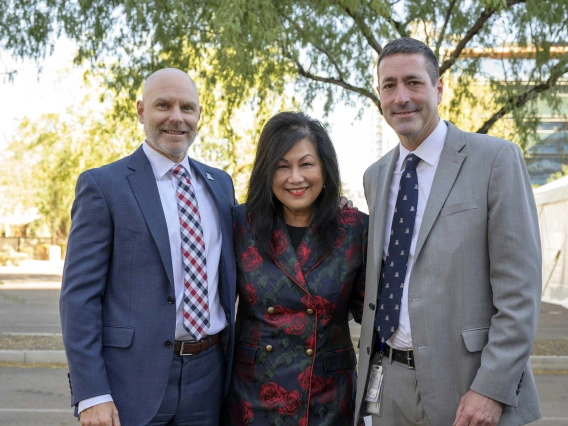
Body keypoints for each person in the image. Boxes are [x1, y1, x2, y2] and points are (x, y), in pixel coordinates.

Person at [355, 38, 542, 426]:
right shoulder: (375, 177)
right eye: (389, 85)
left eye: (414, 82)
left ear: (439, 88)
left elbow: (520, 293)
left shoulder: (495, 160)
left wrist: (490, 388)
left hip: (468, 384)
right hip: (390, 385)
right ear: (379, 96)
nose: (401, 96)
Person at [60, 68, 236, 426]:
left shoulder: (221, 185)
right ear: (141, 111)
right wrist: (92, 392)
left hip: (210, 377)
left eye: (187, 107)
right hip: (131, 382)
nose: (176, 117)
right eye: (163, 105)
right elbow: (79, 299)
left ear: (199, 115)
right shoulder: (103, 186)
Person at [223, 111, 368, 426]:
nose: (295, 178)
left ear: (325, 168)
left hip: (327, 401)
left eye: (306, 164)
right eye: (282, 166)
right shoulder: (239, 224)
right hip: (255, 397)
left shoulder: (355, 228)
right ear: (266, 172)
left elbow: (373, 314)